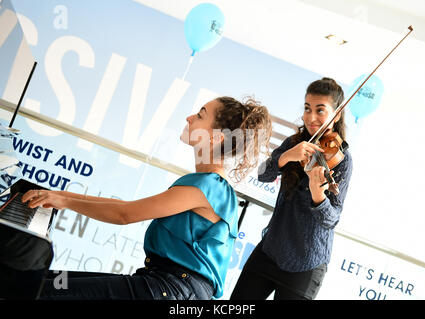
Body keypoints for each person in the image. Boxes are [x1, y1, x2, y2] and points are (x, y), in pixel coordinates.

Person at [22, 96, 272, 300]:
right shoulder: (209, 185)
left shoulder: (209, 186)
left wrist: (64, 202)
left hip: (172, 291)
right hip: (166, 287)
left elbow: (125, 215)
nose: (189, 117)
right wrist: (58, 196)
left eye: (200, 115)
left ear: (217, 136)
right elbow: (123, 207)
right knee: (44, 281)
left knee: (42, 290)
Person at [230, 77, 353, 300]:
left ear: (336, 114)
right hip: (271, 249)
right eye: (307, 108)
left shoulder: (342, 160)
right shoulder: (295, 142)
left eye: (320, 110)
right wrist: (287, 156)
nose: (311, 117)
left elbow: (332, 219)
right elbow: (263, 174)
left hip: (307, 263)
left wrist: (318, 196)